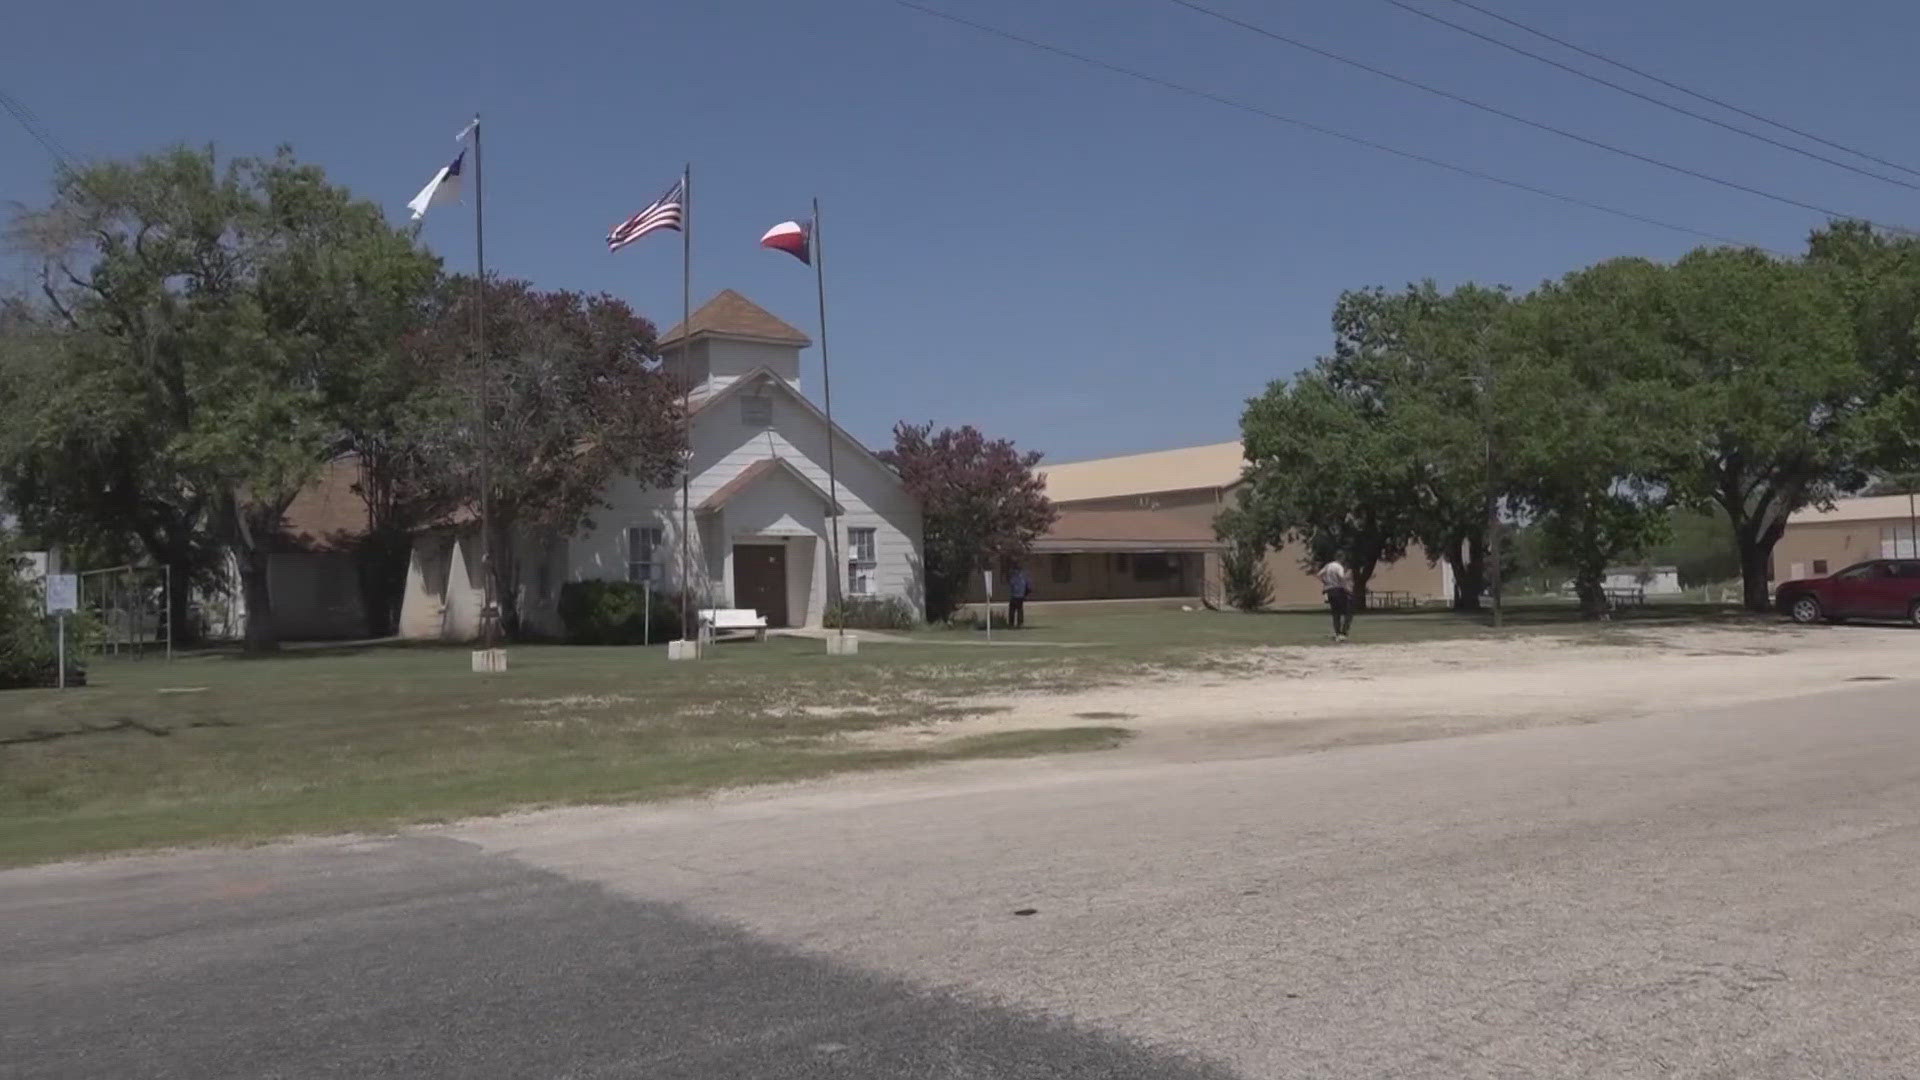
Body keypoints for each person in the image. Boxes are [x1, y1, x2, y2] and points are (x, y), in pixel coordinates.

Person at [1319, 556, 1354, 642]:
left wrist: (1325, 582)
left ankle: (1337, 633)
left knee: (1335, 613)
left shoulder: (1328, 566)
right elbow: (1342, 577)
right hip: (1338, 590)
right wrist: (1348, 577)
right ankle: (1343, 633)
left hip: (1329, 590)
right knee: (1348, 612)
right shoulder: (1339, 567)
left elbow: (1319, 575)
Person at [1007, 564, 1033, 629]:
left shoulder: (1014, 577)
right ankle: (1019, 623)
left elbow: (1011, 585)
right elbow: (1029, 586)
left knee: (1012, 610)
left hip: (1014, 595)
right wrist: (1025, 594)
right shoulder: (1024, 577)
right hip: (1021, 596)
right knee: (1020, 609)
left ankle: (1011, 624)